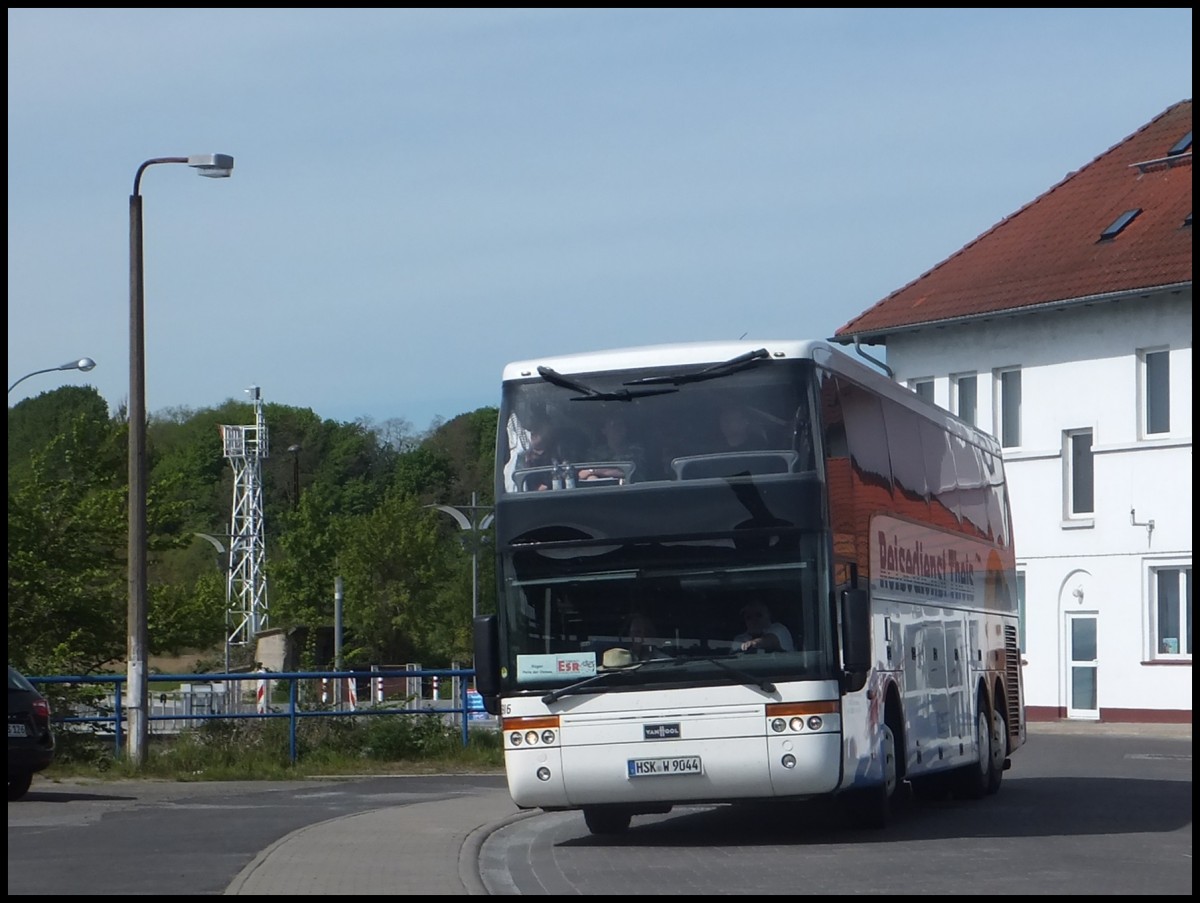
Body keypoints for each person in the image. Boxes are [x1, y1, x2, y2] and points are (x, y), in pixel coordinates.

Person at [577, 413, 649, 483]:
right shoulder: (595, 453)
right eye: (613, 425)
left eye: (620, 425)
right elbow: (581, 473)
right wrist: (592, 478)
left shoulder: (635, 450)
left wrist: (594, 471)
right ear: (604, 430)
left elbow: (625, 472)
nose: (618, 429)